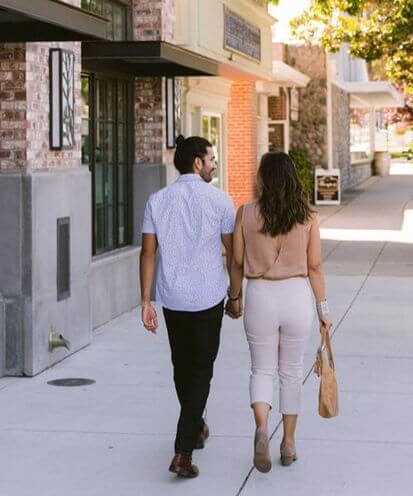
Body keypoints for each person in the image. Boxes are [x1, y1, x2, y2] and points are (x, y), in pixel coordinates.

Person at [226, 151, 332, 473]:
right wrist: (324, 309)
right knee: (291, 372)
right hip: (297, 296)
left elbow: (237, 263)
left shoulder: (246, 214)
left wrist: (234, 296)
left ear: (263, 179)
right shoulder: (308, 217)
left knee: (262, 370)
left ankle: (261, 428)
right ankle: (288, 443)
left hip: (260, 295)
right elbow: (314, 266)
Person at [139, 135, 235, 479]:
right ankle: (183, 451)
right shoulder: (222, 201)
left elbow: (148, 252)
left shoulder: (157, 200)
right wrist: (236, 294)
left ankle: (195, 426)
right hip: (209, 296)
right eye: (211, 158)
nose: (213, 164)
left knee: (182, 367)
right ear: (197, 162)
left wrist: (145, 300)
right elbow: (233, 253)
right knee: (201, 370)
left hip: (173, 298)